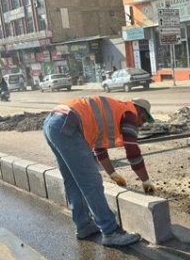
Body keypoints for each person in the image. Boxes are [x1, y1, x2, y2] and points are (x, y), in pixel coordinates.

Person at [42, 96, 157, 246]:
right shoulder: (130, 114)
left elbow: (100, 150)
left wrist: (113, 175)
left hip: (54, 124)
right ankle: (110, 232)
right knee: (92, 182)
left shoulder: (111, 113)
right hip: (67, 125)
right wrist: (146, 182)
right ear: (139, 110)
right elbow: (133, 152)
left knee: (73, 181)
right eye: (143, 119)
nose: (141, 124)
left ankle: (84, 225)